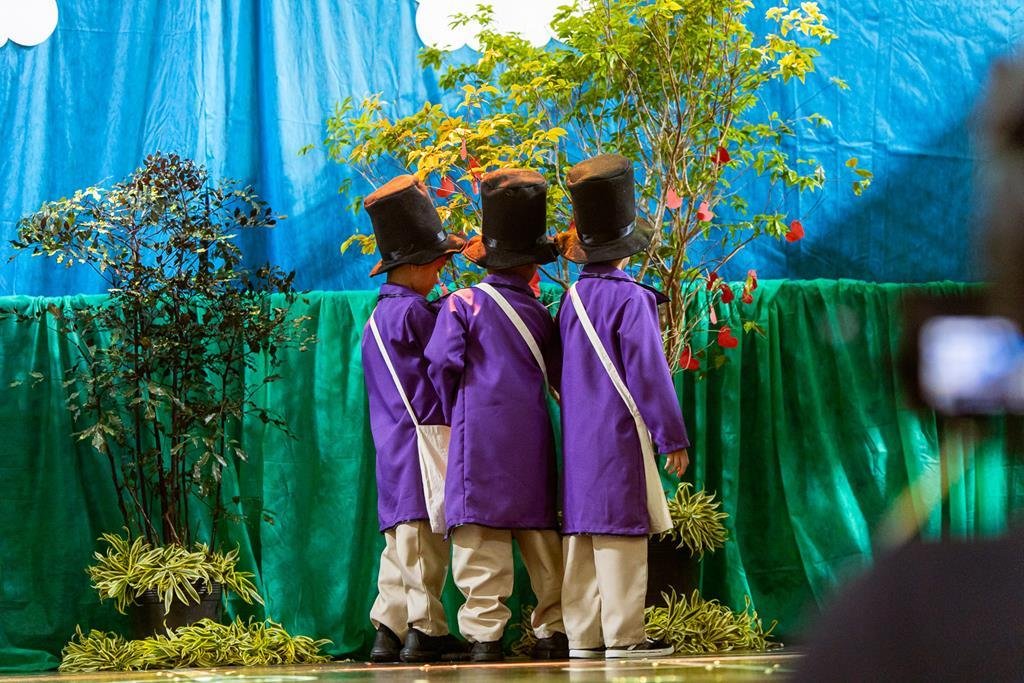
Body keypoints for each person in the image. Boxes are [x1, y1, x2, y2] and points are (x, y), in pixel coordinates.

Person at [425, 169, 568, 662]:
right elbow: (558, 378)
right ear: (532, 267)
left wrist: (457, 410)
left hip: (477, 441)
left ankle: (485, 638)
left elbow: (441, 364)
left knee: (480, 539)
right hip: (532, 441)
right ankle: (553, 629)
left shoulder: (461, 304)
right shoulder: (541, 315)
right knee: (541, 536)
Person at [555, 154, 690, 659]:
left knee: (582, 532)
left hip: (577, 436)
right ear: (625, 249)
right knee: (621, 531)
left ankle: (583, 637)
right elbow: (649, 374)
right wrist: (671, 437)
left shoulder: (570, 298)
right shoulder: (632, 299)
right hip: (617, 432)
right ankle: (625, 636)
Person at [360, 174, 467, 663]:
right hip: (422, 443)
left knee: (399, 547)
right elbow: (441, 370)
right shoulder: (416, 314)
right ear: (418, 265)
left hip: (391, 447)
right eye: (438, 266)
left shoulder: (376, 317)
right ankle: (426, 630)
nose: (440, 275)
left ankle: (388, 627)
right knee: (423, 544)